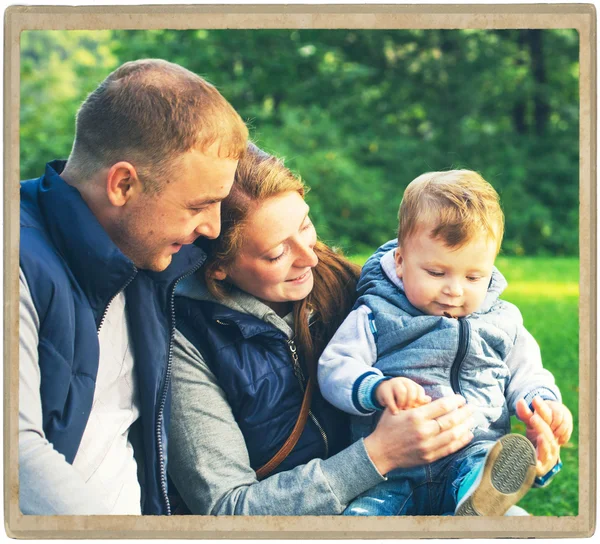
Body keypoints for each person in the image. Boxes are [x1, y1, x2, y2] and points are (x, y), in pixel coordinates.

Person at [168, 143, 476, 516]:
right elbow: (226, 510)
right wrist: (378, 455)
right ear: (218, 267)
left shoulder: (357, 284)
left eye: (305, 225)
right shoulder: (186, 342)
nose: (311, 258)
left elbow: (464, 351)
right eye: (276, 253)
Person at [19, 59, 248, 515]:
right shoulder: (17, 257)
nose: (212, 226)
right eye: (201, 204)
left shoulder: (155, 260)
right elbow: (15, 456)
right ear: (123, 183)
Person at [318, 170, 573, 516]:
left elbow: (528, 372)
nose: (455, 289)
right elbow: (336, 365)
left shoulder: (502, 321)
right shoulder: (376, 313)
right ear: (401, 261)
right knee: (359, 524)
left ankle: (481, 497)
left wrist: (542, 403)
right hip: (393, 472)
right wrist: (376, 388)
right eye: (436, 273)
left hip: (473, 451)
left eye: (473, 276)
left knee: (512, 517)